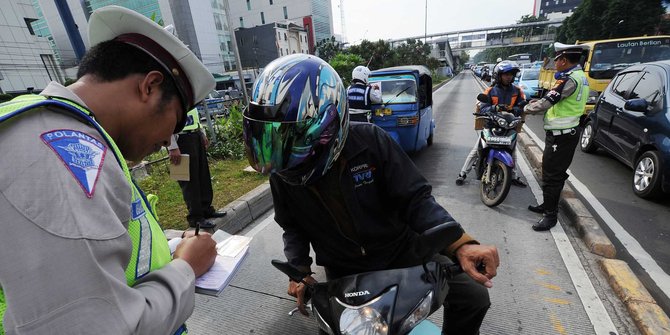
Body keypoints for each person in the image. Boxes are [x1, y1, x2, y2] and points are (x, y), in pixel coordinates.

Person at [243, 54, 499, 335]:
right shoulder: (282, 173)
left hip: (403, 254)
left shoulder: (372, 141)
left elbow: (416, 199)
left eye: (297, 143)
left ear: (330, 124)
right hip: (345, 270)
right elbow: (292, 226)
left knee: (474, 295)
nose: (288, 157)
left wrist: (460, 244)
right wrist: (300, 271)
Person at [0, 6, 218, 334]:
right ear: (150, 86)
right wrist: (186, 267)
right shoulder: (59, 153)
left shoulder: (67, 135)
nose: (166, 141)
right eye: (174, 120)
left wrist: (170, 244)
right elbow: (98, 325)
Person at [524, 42, 590, 231]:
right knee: (551, 172)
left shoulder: (569, 79)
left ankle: (550, 216)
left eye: (557, 59)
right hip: (563, 134)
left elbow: (548, 102)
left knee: (552, 176)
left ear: (563, 60)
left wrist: (525, 108)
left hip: (562, 136)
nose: (555, 62)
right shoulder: (580, 77)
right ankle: (547, 205)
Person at [456, 60, 528, 187]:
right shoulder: (490, 91)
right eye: (506, 74)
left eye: (511, 74)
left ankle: (514, 175)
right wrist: (495, 108)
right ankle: (462, 173)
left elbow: (522, 105)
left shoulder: (517, 91)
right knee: (476, 149)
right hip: (491, 125)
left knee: (513, 151)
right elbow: (483, 107)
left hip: (508, 125)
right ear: (498, 75)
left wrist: (516, 109)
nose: (509, 77)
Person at [167, 107, 227, 229]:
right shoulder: (171, 97)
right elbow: (166, 122)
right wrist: (172, 146)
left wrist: (201, 133)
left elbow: (195, 117)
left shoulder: (189, 97)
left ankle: (206, 209)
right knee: (189, 181)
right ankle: (196, 217)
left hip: (195, 135)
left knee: (203, 175)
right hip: (181, 140)